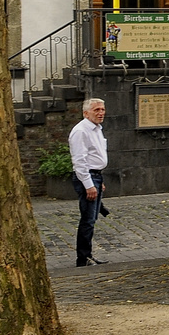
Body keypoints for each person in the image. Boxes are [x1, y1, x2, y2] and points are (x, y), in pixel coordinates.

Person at [69, 98, 111, 266]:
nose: (101, 113)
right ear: (86, 113)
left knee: (92, 218)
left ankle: (87, 255)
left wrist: (98, 180)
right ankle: (83, 257)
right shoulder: (81, 131)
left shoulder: (96, 129)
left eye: (102, 109)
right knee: (87, 219)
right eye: (96, 110)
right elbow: (80, 161)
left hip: (95, 175)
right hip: (87, 176)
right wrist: (89, 184)